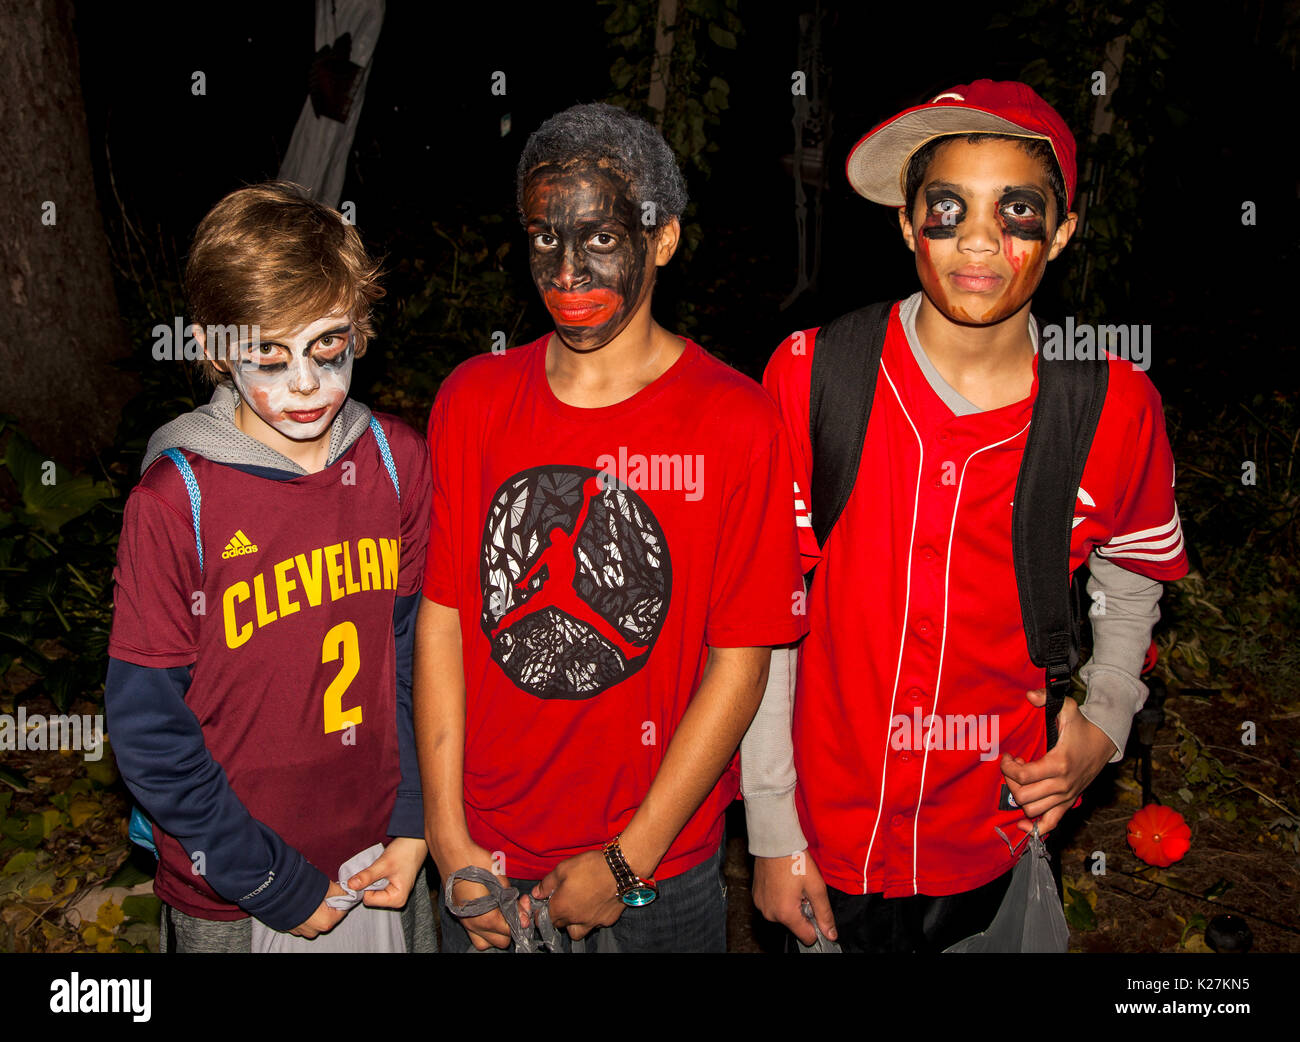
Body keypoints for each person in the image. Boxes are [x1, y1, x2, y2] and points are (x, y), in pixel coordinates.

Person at [744, 81, 1189, 952]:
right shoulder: (812, 376)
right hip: (829, 843)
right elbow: (761, 615)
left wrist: (1103, 723)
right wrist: (769, 825)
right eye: (947, 208)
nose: (980, 239)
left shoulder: (1110, 406)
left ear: (1061, 232)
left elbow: (1133, 574)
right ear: (908, 224)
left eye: (1017, 211)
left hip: (994, 835)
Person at [417, 102, 807, 952]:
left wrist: (627, 862)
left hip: (655, 878)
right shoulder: (473, 400)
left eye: (599, 238)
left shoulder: (736, 421)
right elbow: (444, 618)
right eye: (543, 238)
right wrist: (447, 839)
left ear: (661, 239)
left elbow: (742, 664)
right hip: (486, 860)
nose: (565, 269)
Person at [105, 182, 434, 952]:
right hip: (236, 883)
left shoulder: (396, 460)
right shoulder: (175, 499)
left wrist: (414, 820)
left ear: (358, 327)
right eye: (269, 355)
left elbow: (418, 662)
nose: (307, 384)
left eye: (328, 346)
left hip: (378, 851)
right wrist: (267, 878)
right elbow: (149, 729)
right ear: (218, 350)